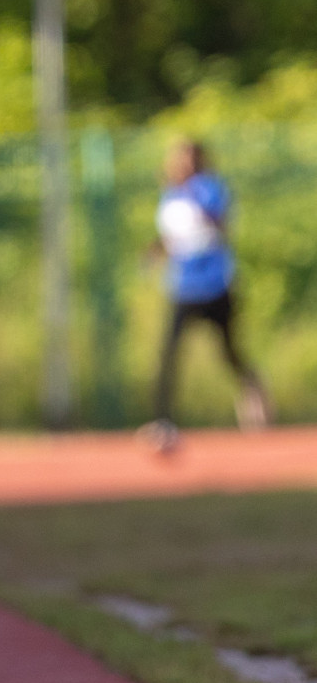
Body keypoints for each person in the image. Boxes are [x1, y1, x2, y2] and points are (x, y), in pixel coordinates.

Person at [142, 137, 268, 453]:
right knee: (169, 354)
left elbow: (221, 226)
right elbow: (173, 238)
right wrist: (153, 252)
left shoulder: (210, 189)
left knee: (228, 351)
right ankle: (163, 421)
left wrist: (193, 199)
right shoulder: (170, 196)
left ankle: (252, 389)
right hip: (183, 287)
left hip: (214, 285)